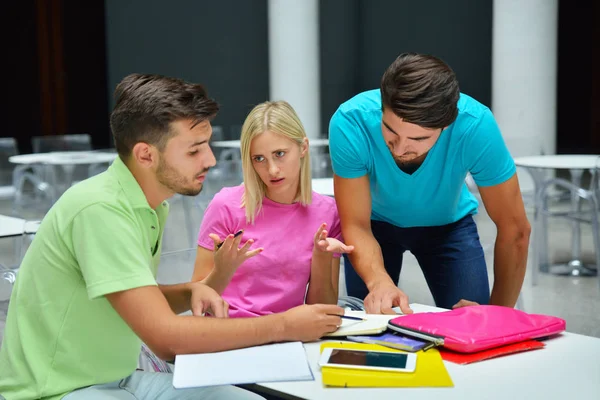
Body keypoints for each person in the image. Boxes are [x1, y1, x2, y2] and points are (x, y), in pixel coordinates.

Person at [0, 74, 344, 400]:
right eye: (194, 150)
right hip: (58, 390)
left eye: (207, 146)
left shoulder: (149, 206)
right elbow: (167, 340)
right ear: (146, 155)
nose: (210, 160)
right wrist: (284, 325)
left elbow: (134, 296)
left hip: (119, 376)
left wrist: (191, 289)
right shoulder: (100, 210)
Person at [329, 53, 531, 314]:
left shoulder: (475, 126)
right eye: (390, 130)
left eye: (418, 138)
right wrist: (379, 282)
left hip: (448, 226)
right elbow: (355, 224)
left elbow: (515, 230)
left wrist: (498, 316)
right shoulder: (351, 120)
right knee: (371, 324)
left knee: (474, 323)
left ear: (447, 126)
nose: (401, 148)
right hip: (372, 226)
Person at [192, 100, 354, 317]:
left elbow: (322, 309)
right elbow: (197, 300)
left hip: (290, 337)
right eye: (259, 159)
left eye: (279, 154)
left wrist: (321, 256)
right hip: (229, 335)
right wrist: (222, 271)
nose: (272, 169)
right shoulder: (226, 206)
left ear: (303, 148)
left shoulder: (327, 212)